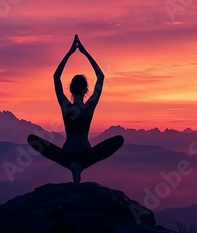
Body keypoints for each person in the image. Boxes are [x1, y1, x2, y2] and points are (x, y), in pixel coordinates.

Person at [27, 35, 124, 183]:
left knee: (32, 139)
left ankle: (73, 166)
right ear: (86, 90)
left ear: (71, 89)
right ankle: (79, 166)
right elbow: (101, 77)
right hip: (86, 157)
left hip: (67, 157)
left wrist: (70, 52)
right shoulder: (89, 107)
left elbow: (56, 77)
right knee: (119, 140)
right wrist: (84, 52)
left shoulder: (65, 106)